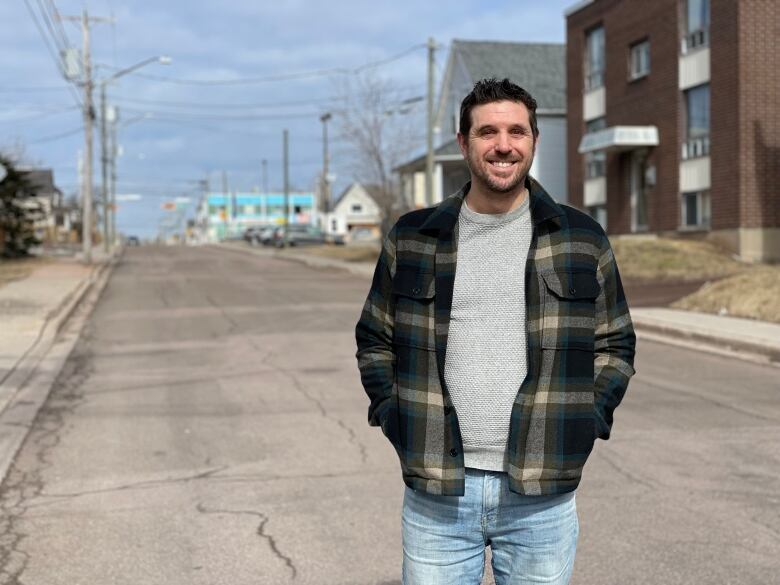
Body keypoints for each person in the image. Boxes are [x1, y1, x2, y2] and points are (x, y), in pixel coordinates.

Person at [355, 77, 636, 584]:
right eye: (487, 132)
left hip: (543, 497)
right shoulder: (414, 237)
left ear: (533, 141)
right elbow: (375, 339)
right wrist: (393, 414)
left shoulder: (581, 238)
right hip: (438, 495)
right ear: (463, 143)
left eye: (516, 131)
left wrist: (586, 418)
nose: (503, 145)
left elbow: (613, 343)